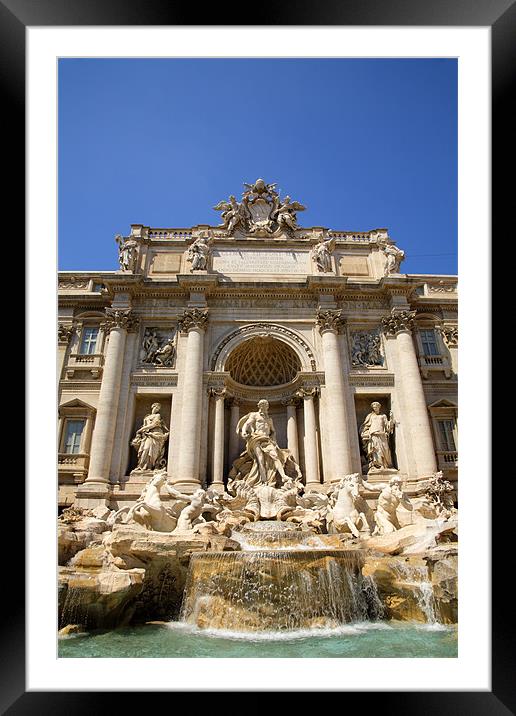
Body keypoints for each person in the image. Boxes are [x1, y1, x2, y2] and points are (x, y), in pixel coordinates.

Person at [235, 399, 301, 487]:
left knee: (275, 456)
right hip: (256, 439)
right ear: (260, 406)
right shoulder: (255, 415)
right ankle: (264, 481)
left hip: (267, 440)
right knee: (260, 459)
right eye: (263, 406)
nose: (265, 408)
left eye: (266, 406)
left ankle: (283, 476)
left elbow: (273, 431)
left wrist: (274, 441)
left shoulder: (269, 419)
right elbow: (247, 424)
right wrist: (243, 431)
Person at [131, 402, 170, 471]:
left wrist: (142, 429)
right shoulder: (147, 417)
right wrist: (142, 431)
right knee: (145, 449)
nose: (157, 409)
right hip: (146, 435)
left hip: (156, 434)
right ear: (152, 406)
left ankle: (149, 467)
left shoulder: (158, 416)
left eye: (158, 408)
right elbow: (144, 425)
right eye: (156, 407)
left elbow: (154, 424)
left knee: (153, 451)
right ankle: (142, 466)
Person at [359, 401, 395, 471]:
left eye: (376, 407)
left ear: (379, 407)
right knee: (376, 450)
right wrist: (365, 432)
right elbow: (365, 425)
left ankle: (386, 465)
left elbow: (387, 425)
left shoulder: (383, 416)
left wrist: (391, 419)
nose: (375, 408)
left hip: (382, 434)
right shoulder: (370, 416)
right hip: (373, 434)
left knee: (385, 449)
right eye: (374, 407)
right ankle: (379, 465)